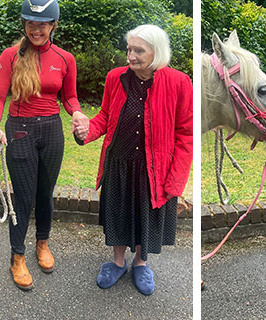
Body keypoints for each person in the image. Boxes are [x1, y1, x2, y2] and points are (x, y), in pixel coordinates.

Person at [74, 25, 193, 296]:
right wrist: (86, 131)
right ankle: (117, 262)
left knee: (145, 215)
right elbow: (104, 116)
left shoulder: (179, 82)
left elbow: (185, 134)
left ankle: (140, 263)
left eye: (139, 50)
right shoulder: (116, 77)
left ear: (156, 52)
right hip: (118, 162)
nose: (131, 56)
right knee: (118, 213)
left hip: (154, 167)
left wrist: (176, 180)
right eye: (129, 49)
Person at [0, 0, 87, 291]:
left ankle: (42, 243)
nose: (36, 29)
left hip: (52, 131)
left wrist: (78, 113)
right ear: (24, 23)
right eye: (31, 22)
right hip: (19, 131)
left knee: (45, 194)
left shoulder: (65, 58)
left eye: (43, 23)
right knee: (23, 197)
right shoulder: (10, 56)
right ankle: (17, 257)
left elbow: (69, 96)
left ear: (54, 24)